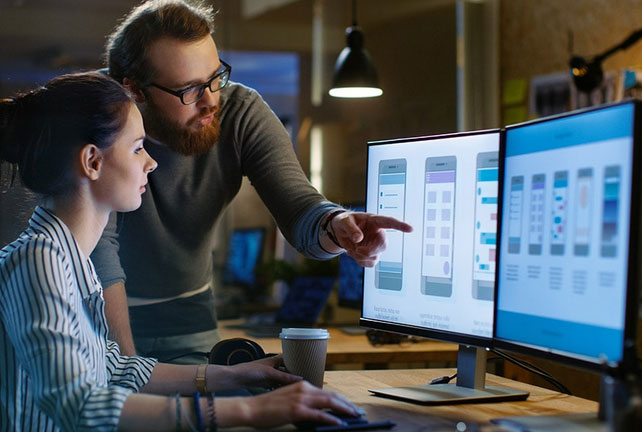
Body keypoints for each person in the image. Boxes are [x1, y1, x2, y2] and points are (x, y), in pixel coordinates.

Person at [0, 72, 363, 431]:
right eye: (137, 147)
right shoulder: (40, 262)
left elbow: (113, 369)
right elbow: (78, 405)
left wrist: (235, 376)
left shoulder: (69, 259)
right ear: (93, 162)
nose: (151, 162)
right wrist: (250, 412)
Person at [93, 0, 413, 361]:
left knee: (223, 409)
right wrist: (128, 371)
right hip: (97, 312)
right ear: (134, 90)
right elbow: (99, 258)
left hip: (189, 314)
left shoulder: (241, 111)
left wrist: (336, 224)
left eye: (216, 78)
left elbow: (298, 206)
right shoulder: (92, 116)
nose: (211, 101)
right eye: (189, 90)